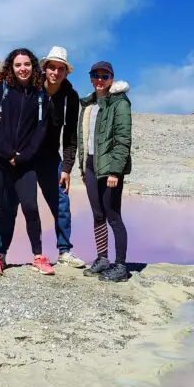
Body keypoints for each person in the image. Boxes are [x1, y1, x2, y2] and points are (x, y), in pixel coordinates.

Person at [0, 46, 85, 269]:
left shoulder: (70, 98)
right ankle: (1, 253)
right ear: (45, 69)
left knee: (61, 202)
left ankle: (64, 251)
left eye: (60, 69)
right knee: (12, 204)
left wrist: (66, 167)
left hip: (48, 157)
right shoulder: (34, 89)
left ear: (66, 72)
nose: (55, 72)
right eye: (52, 67)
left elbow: (71, 136)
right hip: (24, 155)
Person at [0, 48, 54, 277]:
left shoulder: (40, 96)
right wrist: (8, 153)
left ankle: (38, 256)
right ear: (11, 68)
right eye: (18, 65)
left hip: (25, 161)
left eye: (27, 64)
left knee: (30, 206)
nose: (23, 69)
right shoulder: (0, 90)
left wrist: (22, 157)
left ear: (33, 66)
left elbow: (41, 132)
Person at [78, 60, 132, 283]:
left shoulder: (119, 104)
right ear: (91, 78)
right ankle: (102, 258)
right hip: (90, 165)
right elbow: (83, 138)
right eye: (95, 76)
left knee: (113, 216)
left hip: (109, 168)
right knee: (97, 214)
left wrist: (115, 172)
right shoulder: (88, 104)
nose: (99, 80)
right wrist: (82, 166)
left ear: (111, 79)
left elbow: (122, 140)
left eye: (104, 76)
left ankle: (120, 265)